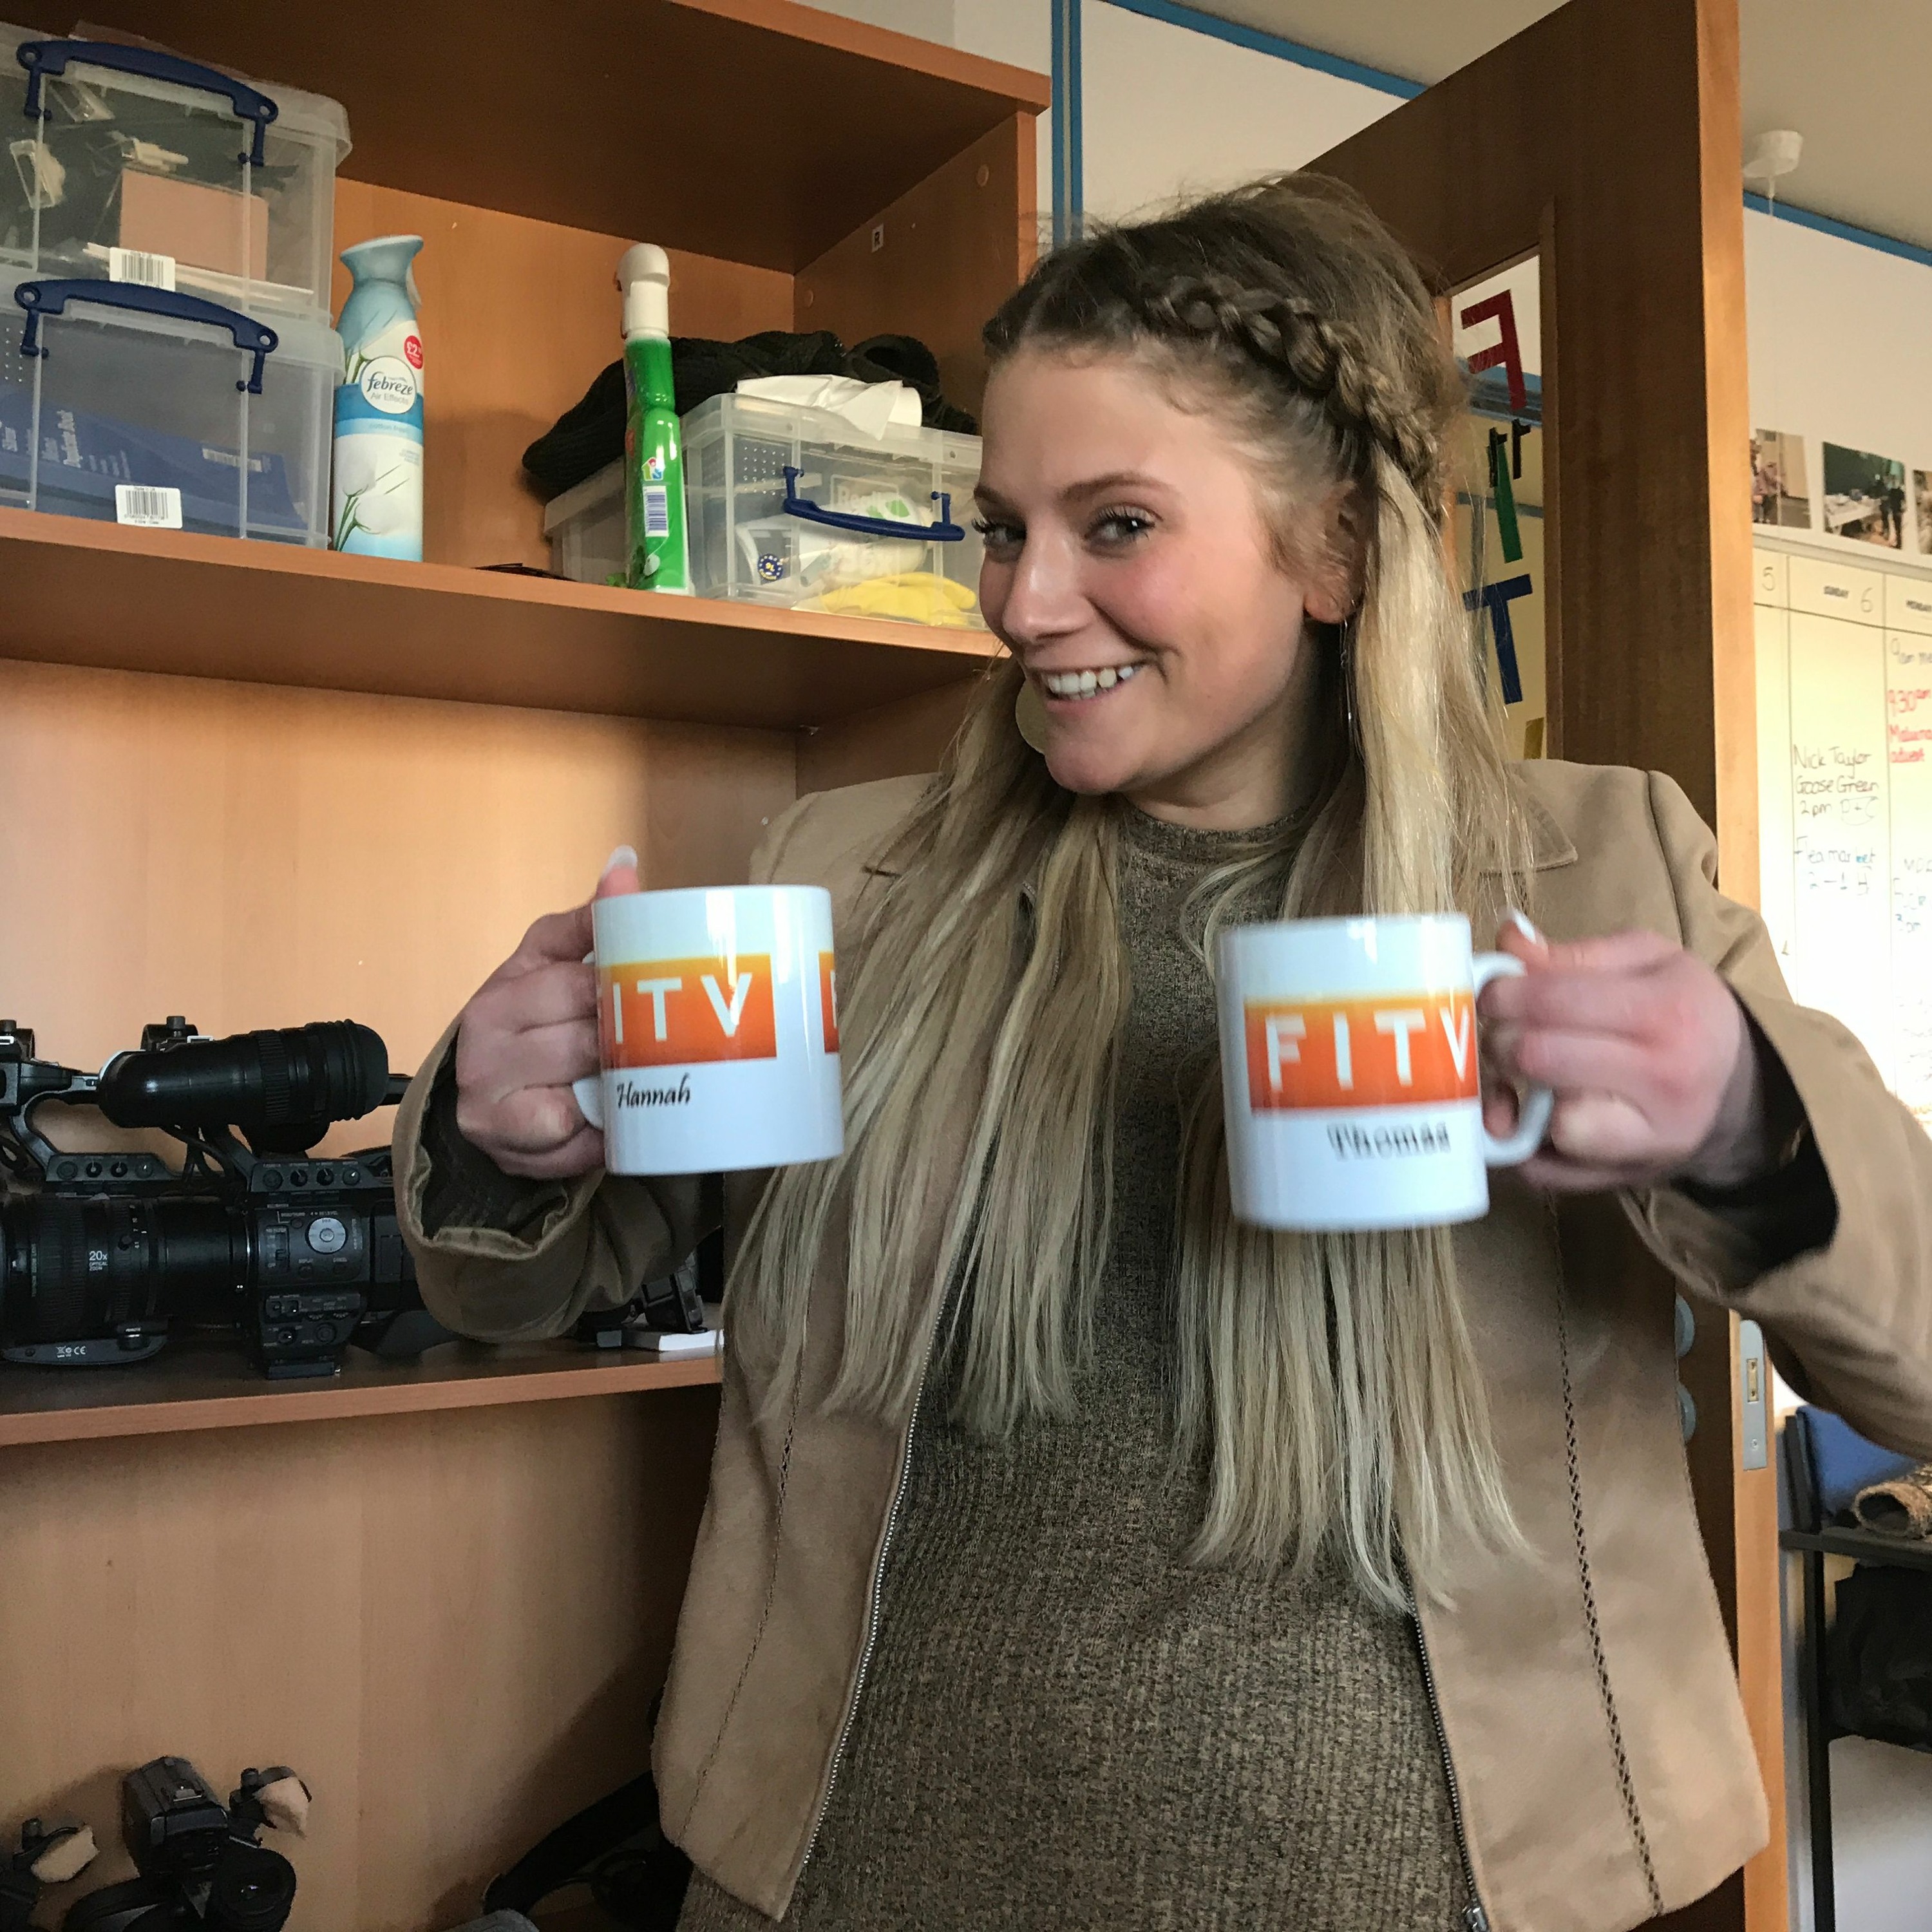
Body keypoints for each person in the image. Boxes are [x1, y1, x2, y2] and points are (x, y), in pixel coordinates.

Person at [396, 177, 1932, 1932]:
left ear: (1336, 552)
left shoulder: (1598, 867)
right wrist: (500, 1132)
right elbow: (525, 1290)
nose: (1025, 603)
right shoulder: (837, 878)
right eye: (1001, 529)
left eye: (1115, 524)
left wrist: (1742, 1122)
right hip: (850, 1884)